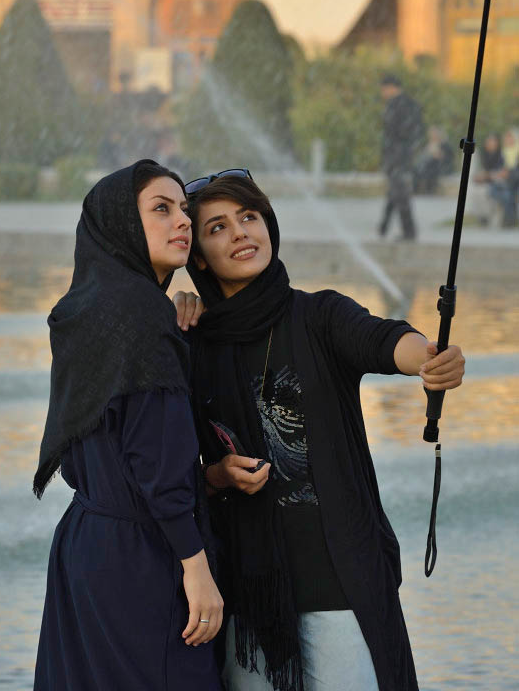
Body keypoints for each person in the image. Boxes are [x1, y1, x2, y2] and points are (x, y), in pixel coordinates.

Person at [174, 171, 466, 691]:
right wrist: (217, 476)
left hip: (339, 589)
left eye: (249, 217)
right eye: (217, 227)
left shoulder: (319, 315)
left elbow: (385, 339)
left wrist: (427, 358)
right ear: (197, 255)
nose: (240, 233)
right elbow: (164, 461)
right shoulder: (190, 342)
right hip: (246, 600)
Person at [33, 160, 223, 691]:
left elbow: (92, 451)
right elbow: (156, 466)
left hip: (85, 544)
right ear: (119, 223)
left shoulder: (84, 309)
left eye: (184, 209)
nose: (181, 221)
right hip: (145, 555)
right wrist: (196, 567)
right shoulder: (142, 314)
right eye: (160, 210)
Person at [378, 75, 425, 240]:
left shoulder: (401, 105)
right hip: (399, 156)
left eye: (384, 89)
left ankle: (408, 231)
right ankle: (383, 226)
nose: (382, 93)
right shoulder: (406, 104)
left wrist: (399, 153)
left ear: (391, 87)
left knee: (400, 193)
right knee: (395, 191)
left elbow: (405, 133)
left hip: (399, 156)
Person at [474, 134, 516, 227]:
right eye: (489, 142)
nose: (492, 144)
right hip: (487, 183)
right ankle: (484, 218)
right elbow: (477, 175)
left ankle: (509, 219)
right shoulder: (482, 155)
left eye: (493, 142)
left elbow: (504, 172)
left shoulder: (501, 154)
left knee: (506, 194)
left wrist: (489, 175)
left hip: (500, 182)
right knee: (480, 193)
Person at [413, 125, 454, 194]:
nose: (432, 135)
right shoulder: (429, 144)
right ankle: (417, 189)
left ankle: (428, 189)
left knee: (426, 169)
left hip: (439, 167)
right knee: (417, 170)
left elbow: (447, 157)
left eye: (434, 133)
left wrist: (437, 155)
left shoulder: (444, 144)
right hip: (427, 166)